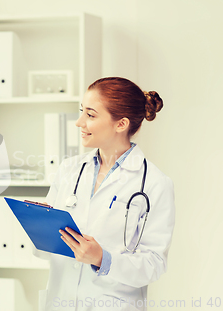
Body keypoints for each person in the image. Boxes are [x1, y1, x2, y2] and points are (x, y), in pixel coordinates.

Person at [35, 77, 175, 311]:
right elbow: (46, 249)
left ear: (121, 124)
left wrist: (102, 259)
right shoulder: (69, 169)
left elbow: (154, 264)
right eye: (82, 112)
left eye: (90, 115)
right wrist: (39, 225)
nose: (79, 122)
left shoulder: (154, 184)